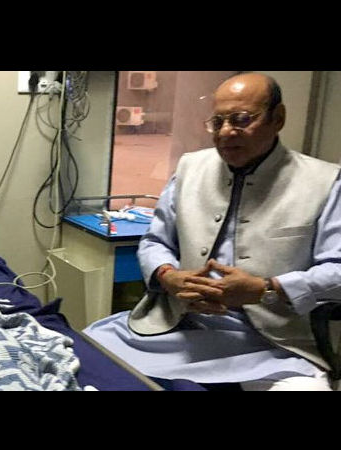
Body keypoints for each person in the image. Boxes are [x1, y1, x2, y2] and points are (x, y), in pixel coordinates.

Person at [84, 72, 341, 391]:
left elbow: (337, 271)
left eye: (241, 119)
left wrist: (266, 288)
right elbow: (155, 241)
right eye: (218, 122)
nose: (226, 132)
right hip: (178, 323)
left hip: (271, 340)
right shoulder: (190, 169)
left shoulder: (324, 183)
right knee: (83, 351)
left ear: (278, 118)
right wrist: (168, 276)